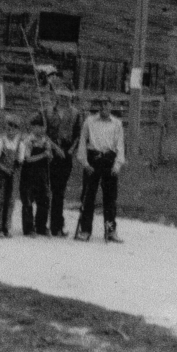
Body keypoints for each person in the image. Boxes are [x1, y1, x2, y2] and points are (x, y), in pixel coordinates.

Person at [75, 96, 125, 243]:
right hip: (93, 160)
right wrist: (84, 163)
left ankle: (110, 230)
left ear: (111, 106)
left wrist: (117, 165)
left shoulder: (117, 123)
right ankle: (85, 230)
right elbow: (83, 143)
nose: (104, 107)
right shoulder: (89, 121)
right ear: (98, 106)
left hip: (109, 160)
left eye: (107, 104)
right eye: (101, 105)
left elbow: (120, 145)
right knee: (88, 196)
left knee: (110, 198)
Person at [45, 91, 83, 237]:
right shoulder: (48, 111)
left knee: (60, 191)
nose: (64, 99)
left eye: (67, 97)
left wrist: (70, 150)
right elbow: (43, 131)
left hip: (66, 152)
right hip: (52, 151)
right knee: (50, 189)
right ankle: (48, 225)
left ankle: (57, 226)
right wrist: (55, 148)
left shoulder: (75, 114)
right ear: (57, 97)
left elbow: (78, 135)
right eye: (61, 96)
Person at [0, 114, 25, 237]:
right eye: (9, 129)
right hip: (2, 175)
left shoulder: (20, 144)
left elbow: (21, 160)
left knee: (10, 201)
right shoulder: (1, 142)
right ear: (5, 129)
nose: (11, 131)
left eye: (14, 129)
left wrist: (18, 162)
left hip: (13, 176)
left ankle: (6, 226)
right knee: (0, 199)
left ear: (18, 130)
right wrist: (3, 168)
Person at [19, 113, 54, 237]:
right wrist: (43, 155)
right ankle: (29, 228)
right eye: (37, 126)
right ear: (32, 127)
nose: (40, 129)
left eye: (43, 127)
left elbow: (49, 158)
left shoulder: (45, 140)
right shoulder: (29, 140)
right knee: (28, 200)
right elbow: (27, 159)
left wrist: (49, 155)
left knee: (44, 199)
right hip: (29, 173)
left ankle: (41, 226)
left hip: (42, 173)